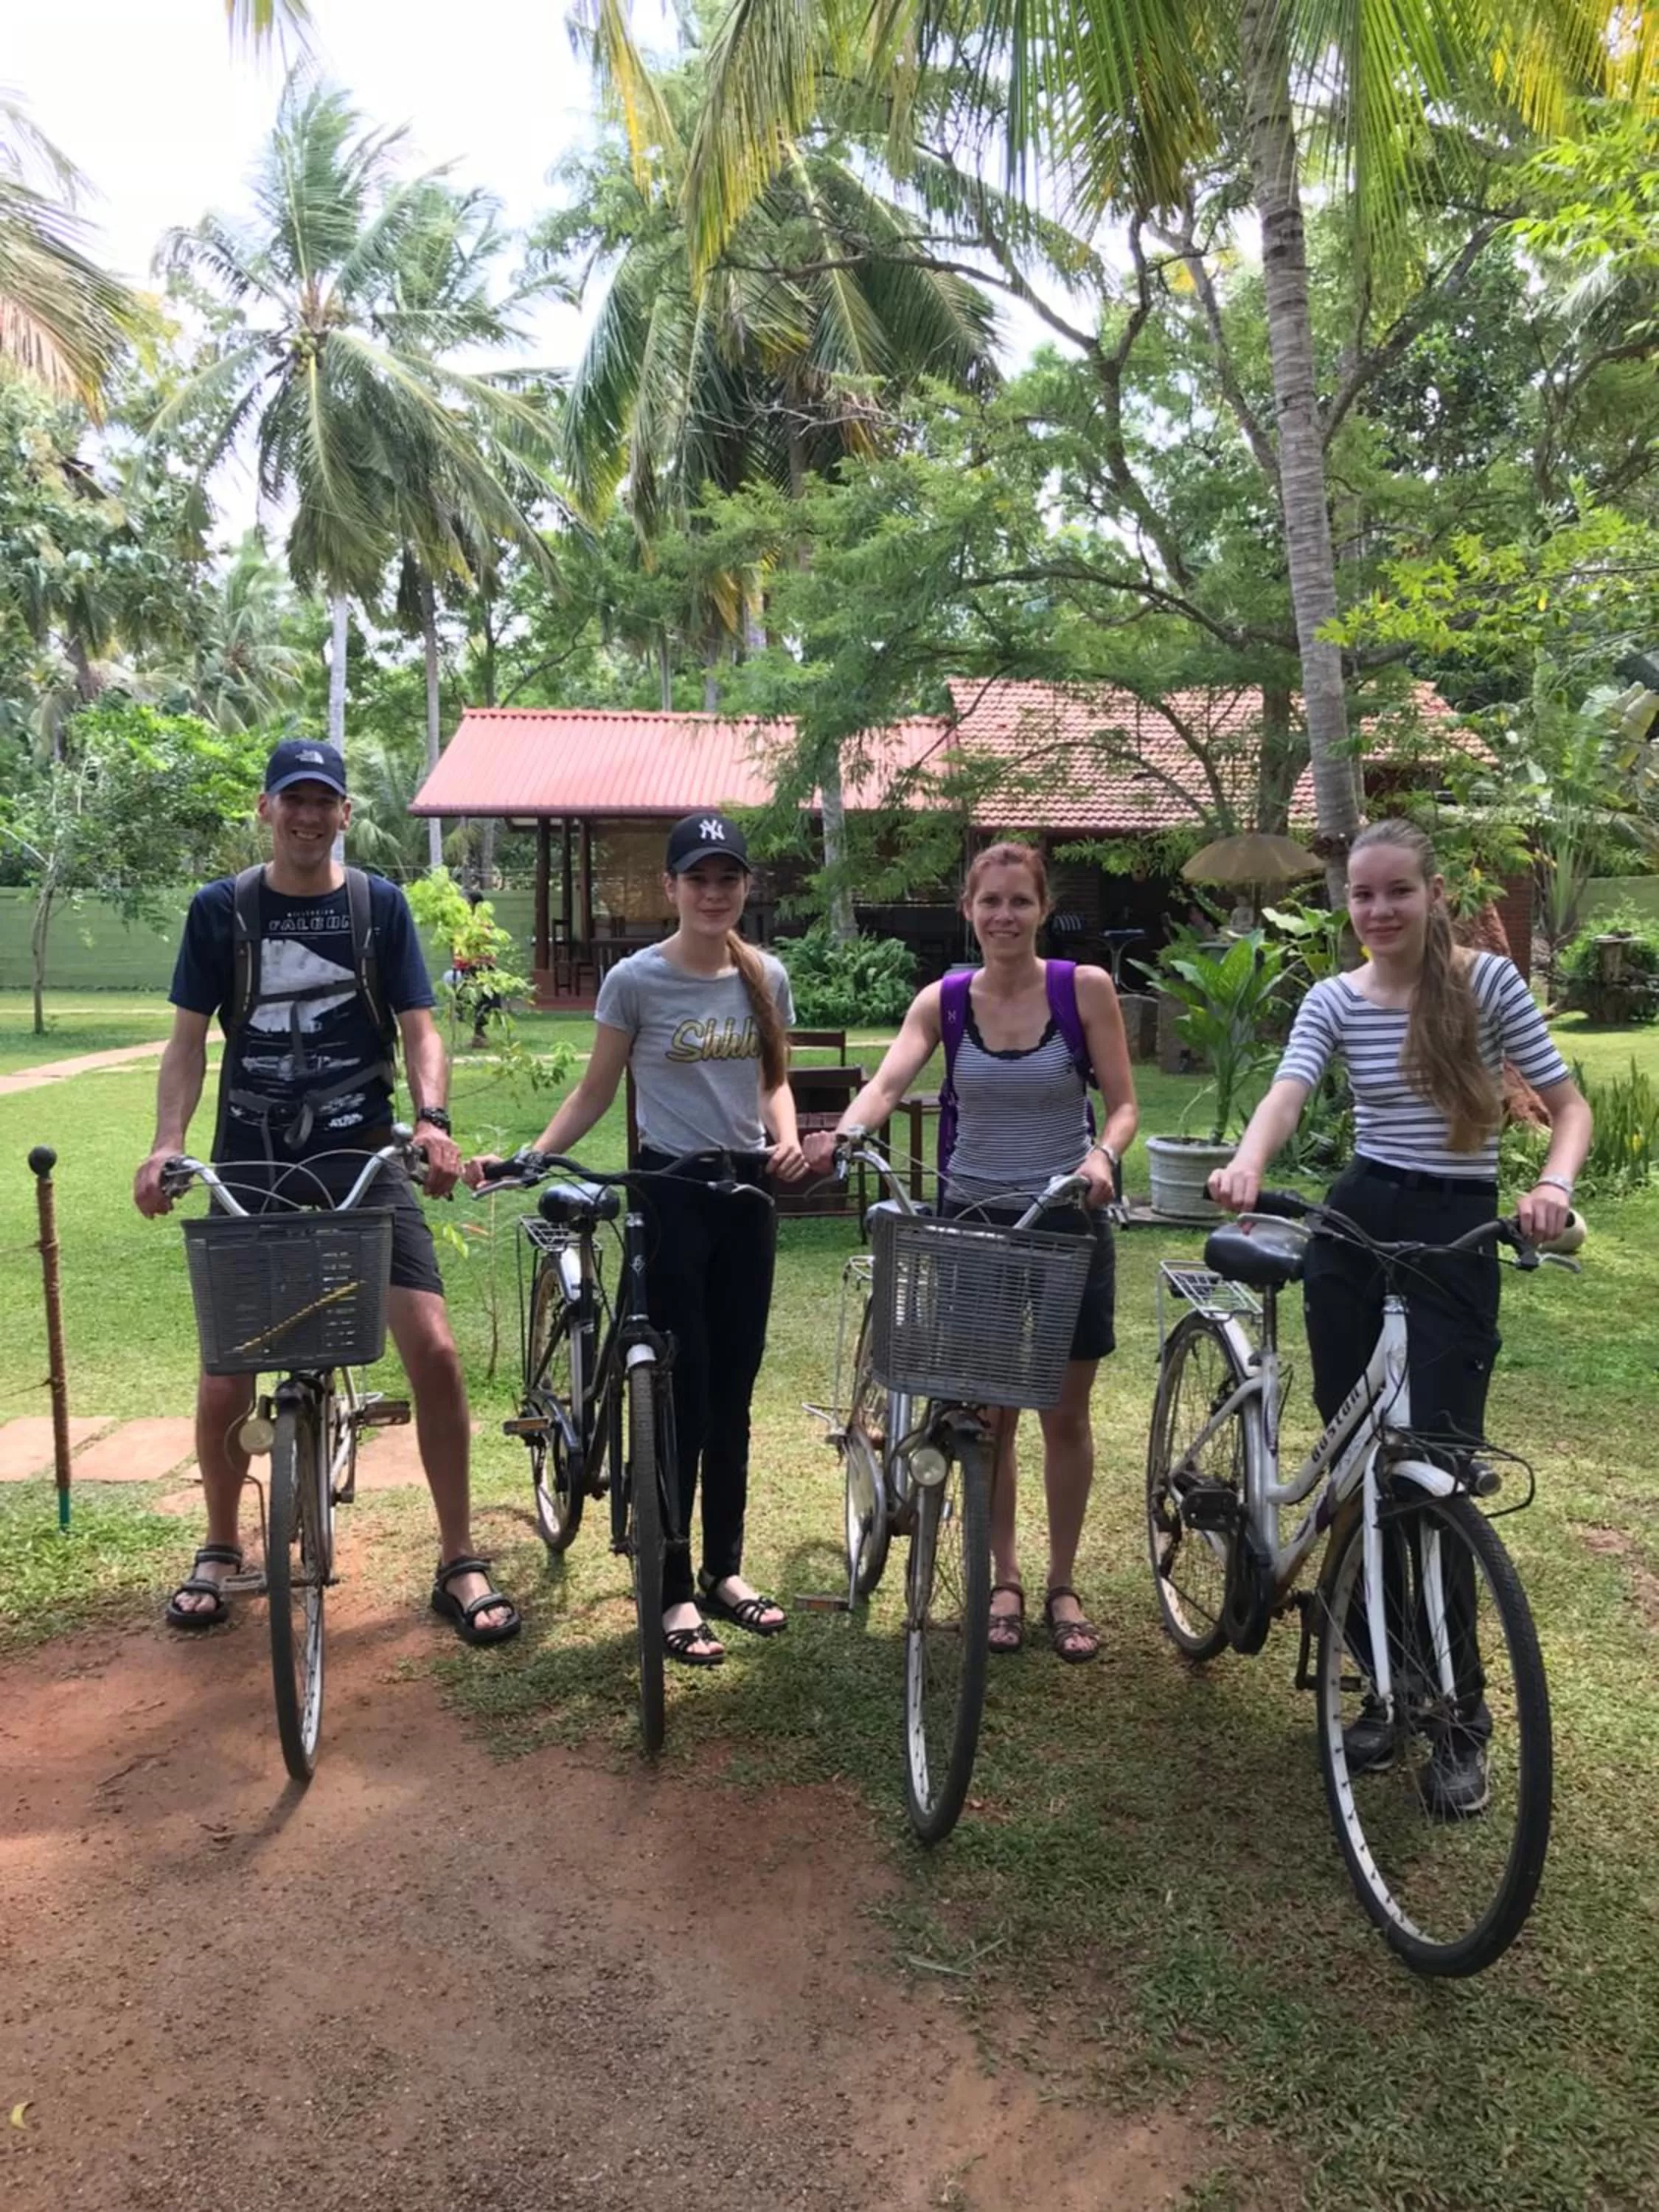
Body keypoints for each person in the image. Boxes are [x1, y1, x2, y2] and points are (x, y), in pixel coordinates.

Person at [1209, 818, 1591, 1812]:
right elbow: (1288, 1092)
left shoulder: (1485, 988)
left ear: (1431, 896)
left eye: (1396, 893)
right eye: (1362, 897)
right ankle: (1381, 1684)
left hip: (1456, 1227)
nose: (1377, 912)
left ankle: (1458, 1716)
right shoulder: (1335, 997)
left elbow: (1568, 1105)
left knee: (1436, 1478)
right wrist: (1250, 1159)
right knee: (1358, 1476)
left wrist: (1550, 1186)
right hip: (1357, 1217)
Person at [133, 739, 519, 1647]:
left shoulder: (375, 908)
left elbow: (421, 1027)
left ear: (345, 814)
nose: (308, 816)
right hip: (255, 1155)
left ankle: (459, 1558)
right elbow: (189, 1042)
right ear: (266, 811)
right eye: (291, 800)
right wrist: (165, 1145)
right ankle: (223, 1545)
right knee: (230, 1369)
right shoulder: (220, 912)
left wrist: (430, 1119)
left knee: (434, 1350)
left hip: (364, 1153)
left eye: (325, 802)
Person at [465, 812, 810, 1666]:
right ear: (670, 888)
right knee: (678, 1398)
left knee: (733, 1391)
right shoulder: (635, 981)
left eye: (727, 877)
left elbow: (774, 1082)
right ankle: (674, 1588)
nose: (713, 891)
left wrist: (788, 1137)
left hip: (747, 1195)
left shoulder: (765, 974)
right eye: (697, 877)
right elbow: (595, 1091)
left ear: (744, 887)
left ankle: (727, 1572)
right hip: (669, 1192)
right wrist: (530, 1157)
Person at [834, 841, 1139, 1663]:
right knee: (989, 1418)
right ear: (968, 912)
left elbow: (1121, 1107)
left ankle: (1062, 1582)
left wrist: (1103, 1157)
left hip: (1066, 1219)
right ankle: (1002, 1576)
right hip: (970, 1222)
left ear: (1041, 910)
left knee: (1064, 1414)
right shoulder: (947, 1000)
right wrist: (850, 1128)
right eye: (989, 902)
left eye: (1020, 902)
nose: (1004, 916)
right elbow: (891, 1079)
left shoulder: (1084, 990)